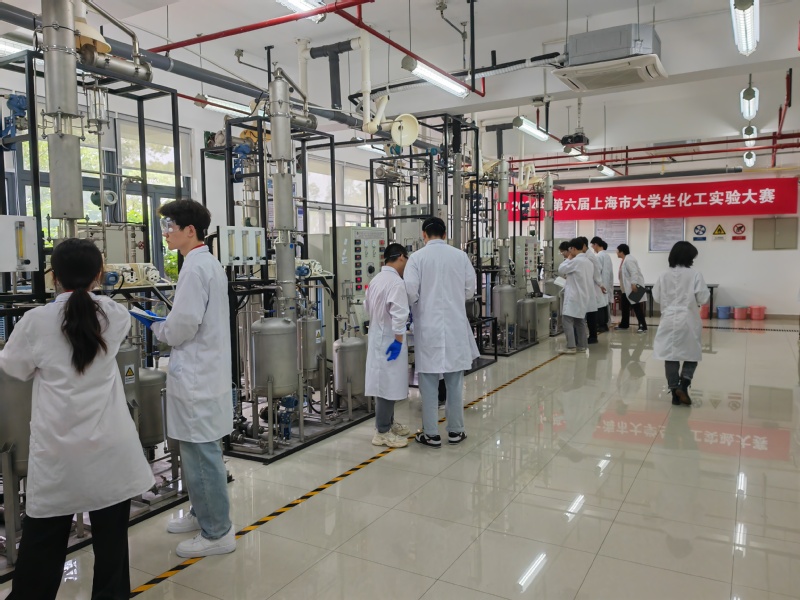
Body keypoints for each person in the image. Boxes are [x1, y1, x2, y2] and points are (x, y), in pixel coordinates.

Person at [0, 239, 155, 600]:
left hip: (59, 453)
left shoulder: (35, 322)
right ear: (100, 273)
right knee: (112, 547)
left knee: (42, 546)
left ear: (53, 276)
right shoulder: (115, 315)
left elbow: (15, 368)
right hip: (111, 449)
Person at [141, 199, 236, 558]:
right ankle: (202, 513)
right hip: (202, 373)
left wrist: (157, 327)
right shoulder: (202, 263)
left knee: (201, 456)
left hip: (199, 377)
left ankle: (217, 532)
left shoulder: (196, 269)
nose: (165, 233)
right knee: (198, 453)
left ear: (190, 230)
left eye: (170, 226)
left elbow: (182, 326)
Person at [405, 217, 479, 448]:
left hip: (428, 327)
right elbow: (470, 290)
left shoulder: (417, 258)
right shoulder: (460, 256)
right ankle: (456, 431)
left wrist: (421, 305)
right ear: (445, 234)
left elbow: (410, 292)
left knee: (427, 382)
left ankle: (431, 434)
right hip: (455, 326)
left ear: (424, 235)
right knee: (455, 382)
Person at [364, 243, 412, 448]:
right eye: (406, 259)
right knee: (386, 385)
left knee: (385, 384)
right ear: (401, 257)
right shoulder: (396, 283)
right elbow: (399, 316)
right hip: (391, 340)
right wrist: (399, 342)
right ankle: (382, 432)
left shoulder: (376, 280)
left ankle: (388, 423)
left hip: (378, 337)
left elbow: (367, 307)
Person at [652, 241, 710, 406]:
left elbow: (656, 297)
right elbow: (703, 298)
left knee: (670, 355)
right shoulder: (695, 274)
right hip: (688, 319)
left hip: (668, 319)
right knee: (692, 353)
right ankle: (684, 385)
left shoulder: (663, 275)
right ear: (688, 257)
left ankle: (674, 391)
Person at [557, 238, 595, 354]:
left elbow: (561, 269)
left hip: (574, 296)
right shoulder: (588, 262)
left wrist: (568, 258)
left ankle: (571, 346)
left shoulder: (576, 261)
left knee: (567, 320)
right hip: (583, 295)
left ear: (573, 248)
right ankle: (582, 346)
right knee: (580, 321)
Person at [578, 236, 605, 343]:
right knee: (589, 313)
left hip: (592, 287)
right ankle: (591, 336)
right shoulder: (586, 255)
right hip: (589, 287)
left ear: (584, 246)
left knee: (591, 314)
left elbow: (597, 271)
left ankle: (593, 337)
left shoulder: (590, 257)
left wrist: (600, 284)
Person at [617, 243, 648, 332]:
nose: (616, 253)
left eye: (617, 251)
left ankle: (643, 326)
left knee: (636, 307)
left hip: (633, 287)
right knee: (625, 307)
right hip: (626, 289)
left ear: (622, 252)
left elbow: (634, 272)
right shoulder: (625, 260)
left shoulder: (629, 260)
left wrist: (634, 284)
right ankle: (624, 324)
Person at [590, 237, 614, 332]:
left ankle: (601, 325)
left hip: (599, 285)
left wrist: (600, 284)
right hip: (605, 284)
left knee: (599, 305)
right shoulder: (607, 256)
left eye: (592, 246)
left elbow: (597, 271)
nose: (592, 248)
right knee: (604, 304)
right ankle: (604, 325)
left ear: (596, 244)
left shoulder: (598, 256)